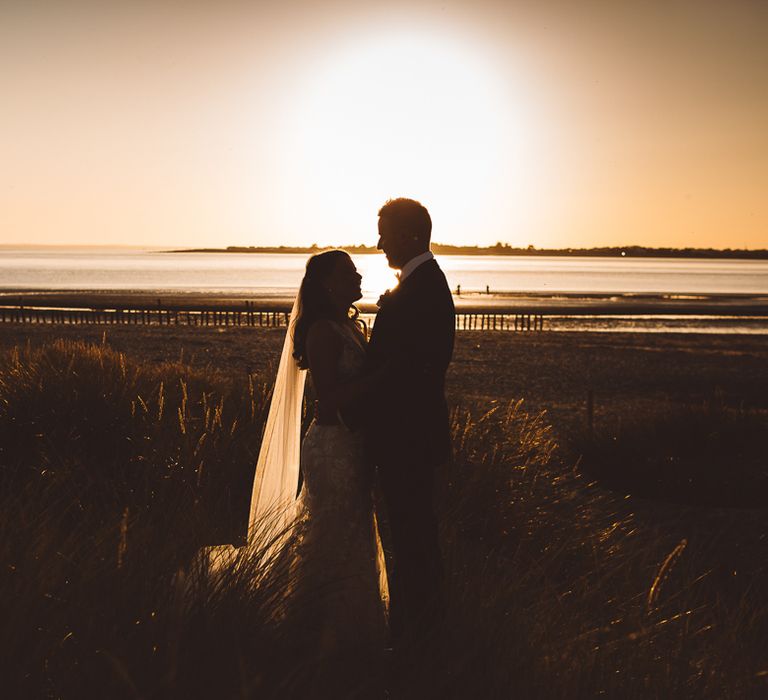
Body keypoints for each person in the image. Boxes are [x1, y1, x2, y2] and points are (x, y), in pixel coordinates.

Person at [246, 250, 389, 674]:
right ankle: (317, 631)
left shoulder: (347, 325)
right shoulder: (323, 332)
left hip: (353, 446)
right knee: (331, 532)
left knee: (353, 531)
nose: (359, 276)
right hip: (332, 448)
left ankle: (350, 633)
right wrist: (382, 378)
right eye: (349, 273)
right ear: (327, 283)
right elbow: (330, 398)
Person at [358, 198, 456, 643]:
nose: (378, 243)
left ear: (410, 235)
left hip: (408, 438)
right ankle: (423, 626)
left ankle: (421, 632)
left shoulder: (424, 289)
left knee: (414, 538)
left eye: (384, 233)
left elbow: (406, 370)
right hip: (409, 436)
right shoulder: (418, 284)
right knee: (413, 534)